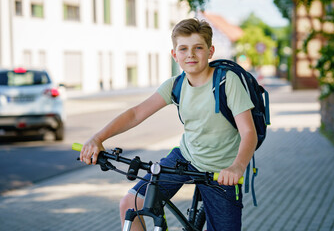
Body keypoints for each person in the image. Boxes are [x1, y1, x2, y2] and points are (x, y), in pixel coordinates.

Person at [80, 18, 257, 231]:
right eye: (183, 49)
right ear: (175, 55)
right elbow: (136, 114)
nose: (190, 54)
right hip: (186, 157)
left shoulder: (227, 81)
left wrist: (237, 167)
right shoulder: (176, 85)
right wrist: (98, 138)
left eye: (198, 48)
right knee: (130, 203)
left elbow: (249, 132)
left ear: (210, 51)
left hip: (222, 171)